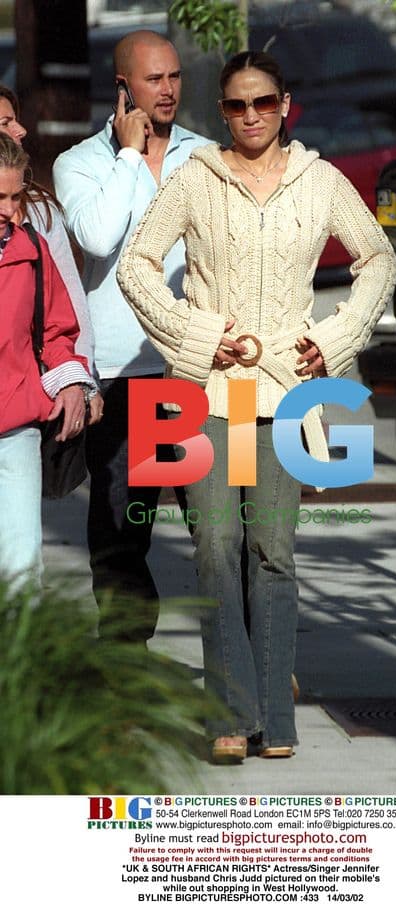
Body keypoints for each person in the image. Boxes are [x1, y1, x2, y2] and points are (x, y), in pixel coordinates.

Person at [117, 50, 396, 761]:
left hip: (287, 395)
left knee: (272, 550)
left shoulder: (321, 179)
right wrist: (197, 334)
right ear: (223, 111)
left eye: (263, 103)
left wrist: (333, 340)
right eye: (237, 106)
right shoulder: (194, 180)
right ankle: (228, 714)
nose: (251, 117)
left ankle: (275, 716)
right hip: (211, 395)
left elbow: (379, 260)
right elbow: (135, 265)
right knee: (216, 546)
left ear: (286, 103)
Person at [53, 31, 211, 643]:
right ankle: (125, 670)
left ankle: (248, 671)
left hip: (201, 370)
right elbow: (96, 238)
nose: (168, 89)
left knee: (225, 529)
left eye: (174, 76)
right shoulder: (81, 163)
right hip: (124, 376)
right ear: (123, 87)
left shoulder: (206, 156)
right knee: (121, 536)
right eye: (154, 79)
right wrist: (127, 154)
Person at [0, 134, 97, 591]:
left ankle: (18, 665)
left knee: (22, 570)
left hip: (16, 429)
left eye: (16, 196)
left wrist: (73, 384)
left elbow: (57, 331)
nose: (10, 209)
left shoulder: (31, 249)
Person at [0, 83, 101, 420]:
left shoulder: (39, 212)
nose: (21, 129)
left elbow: (69, 309)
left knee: (239, 470)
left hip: (34, 401)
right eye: (5, 123)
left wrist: (85, 383)